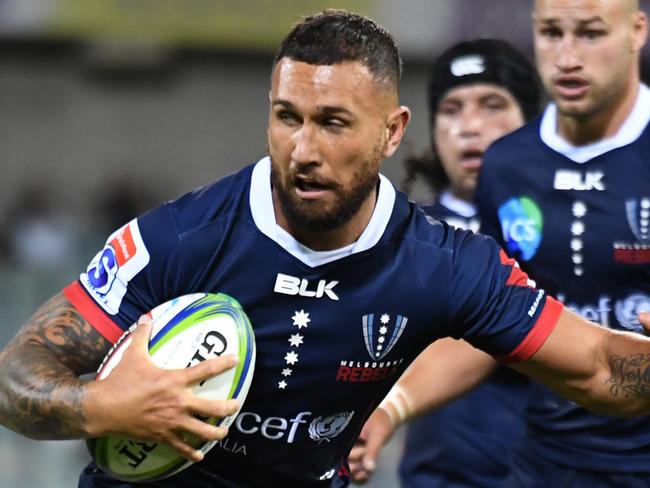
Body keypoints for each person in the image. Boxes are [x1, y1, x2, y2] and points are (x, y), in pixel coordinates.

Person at [1, 8, 650, 488]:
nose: (304, 151)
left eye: (334, 123)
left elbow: (595, 366)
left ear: (393, 132)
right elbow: (15, 377)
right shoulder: (182, 238)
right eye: (288, 117)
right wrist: (105, 405)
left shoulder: (444, 263)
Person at [350, 1, 650, 487]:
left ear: (637, 30)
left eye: (590, 33)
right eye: (552, 33)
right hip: (544, 464)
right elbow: (492, 324)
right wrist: (390, 410)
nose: (567, 56)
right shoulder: (508, 165)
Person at [395, 39, 542, 488]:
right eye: (452, 109)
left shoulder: (575, 225)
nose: (470, 126)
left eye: (492, 104)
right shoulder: (399, 232)